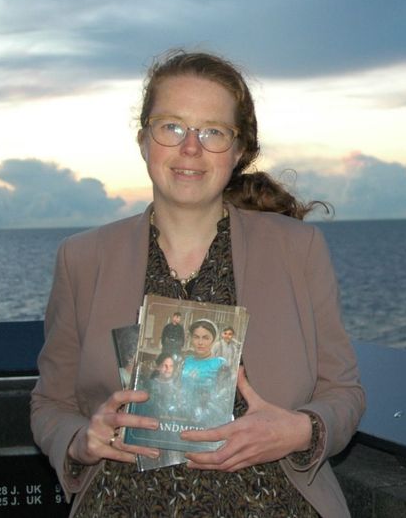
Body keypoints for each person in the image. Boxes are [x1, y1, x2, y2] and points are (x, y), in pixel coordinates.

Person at [30, 49, 365, 517]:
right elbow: (50, 404)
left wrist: (299, 430)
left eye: (212, 132)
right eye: (172, 126)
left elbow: (344, 393)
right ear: (144, 139)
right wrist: (81, 440)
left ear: (240, 149)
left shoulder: (297, 250)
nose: (191, 148)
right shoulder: (83, 259)